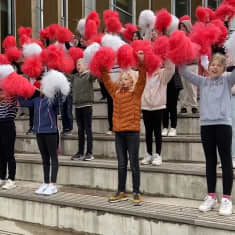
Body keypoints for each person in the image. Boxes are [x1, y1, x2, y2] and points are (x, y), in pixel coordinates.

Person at [179, 53, 235, 216]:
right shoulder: (202, 82)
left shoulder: (227, 81)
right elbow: (184, 72)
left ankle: (226, 198)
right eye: (212, 64)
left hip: (223, 125)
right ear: (208, 66)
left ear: (224, 68)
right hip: (206, 126)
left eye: (218, 65)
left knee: (225, 161)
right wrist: (178, 55)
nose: (214, 67)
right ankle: (211, 196)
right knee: (210, 161)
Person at [103, 51, 146, 204]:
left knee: (134, 163)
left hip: (132, 133)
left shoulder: (136, 93)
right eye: (121, 78)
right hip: (119, 133)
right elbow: (107, 81)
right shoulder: (115, 93)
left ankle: (136, 191)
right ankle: (121, 191)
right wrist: (102, 67)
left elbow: (142, 79)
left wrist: (141, 63)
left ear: (131, 81)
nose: (123, 81)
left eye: (126, 78)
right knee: (121, 163)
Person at [19, 92, 60, 195]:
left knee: (53, 158)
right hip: (39, 132)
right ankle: (46, 182)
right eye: (40, 86)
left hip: (51, 132)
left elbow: (60, 100)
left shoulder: (52, 99)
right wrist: (18, 91)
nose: (41, 88)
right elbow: (24, 103)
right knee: (44, 158)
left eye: (43, 86)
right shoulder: (36, 100)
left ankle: (53, 184)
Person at [141, 60, 175, 165]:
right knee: (148, 132)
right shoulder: (143, 74)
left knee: (157, 132)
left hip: (158, 106)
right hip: (145, 107)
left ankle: (158, 154)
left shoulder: (162, 73)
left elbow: (171, 69)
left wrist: (167, 56)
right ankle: (149, 154)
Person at [68, 58, 95, 161]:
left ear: (87, 66)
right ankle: (80, 152)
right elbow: (65, 75)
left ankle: (89, 152)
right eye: (77, 64)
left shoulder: (89, 75)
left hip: (87, 106)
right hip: (77, 106)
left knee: (88, 130)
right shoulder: (75, 77)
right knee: (80, 131)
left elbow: (97, 75)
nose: (78, 66)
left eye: (80, 64)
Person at [178, 19, 199, 114]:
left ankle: (194, 105)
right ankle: (183, 106)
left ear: (187, 27)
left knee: (191, 86)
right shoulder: (178, 38)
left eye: (183, 26)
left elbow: (197, 51)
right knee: (182, 86)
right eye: (180, 27)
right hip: (182, 65)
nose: (182, 28)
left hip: (192, 65)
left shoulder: (194, 38)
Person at [0, 88, 18, 190]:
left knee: (9, 154)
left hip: (8, 124)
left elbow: (13, 108)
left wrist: (5, 96)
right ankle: (2, 177)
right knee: (1, 154)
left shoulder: (12, 95)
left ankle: (11, 179)